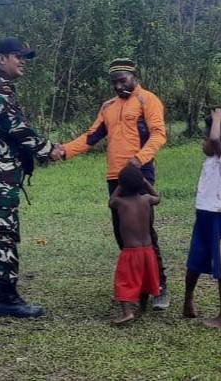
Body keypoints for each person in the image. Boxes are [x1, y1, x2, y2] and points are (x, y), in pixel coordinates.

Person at [62, 58, 169, 309]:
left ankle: (159, 287)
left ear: (134, 77)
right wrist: (63, 151)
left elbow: (158, 134)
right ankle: (136, 287)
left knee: (144, 233)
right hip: (115, 178)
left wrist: (138, 159)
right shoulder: (108, 106)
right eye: (114, 82)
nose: (119, 86)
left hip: (139, 175)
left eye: (123, 80)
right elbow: (91, 137)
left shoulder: (148, 100)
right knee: (123, 234)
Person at [0, 36, 63, 318]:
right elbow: (16, 128)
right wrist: (48, 149)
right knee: (4, 233)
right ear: (2, 58)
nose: (23, 62)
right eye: (18, 56)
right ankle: (8, 299)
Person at [183, 108, 221, 329]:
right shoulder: (210, 160)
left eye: (205, 137)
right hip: (204, 216)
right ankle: (188, 301)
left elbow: (216, 139)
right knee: (194, 262)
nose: (203, 142)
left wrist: (217, 118)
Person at [109, 165, 162, 324]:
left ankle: (127, 313)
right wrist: (145, 182)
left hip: (131, 252)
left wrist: (119, 185)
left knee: (124, 281)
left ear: (122, 186)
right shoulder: (146, 200)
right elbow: (158, 197)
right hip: (148, 250)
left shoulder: (121, 203)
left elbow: (111, 201)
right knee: (145, 280)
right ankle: (142, 308)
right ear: (141, 183)